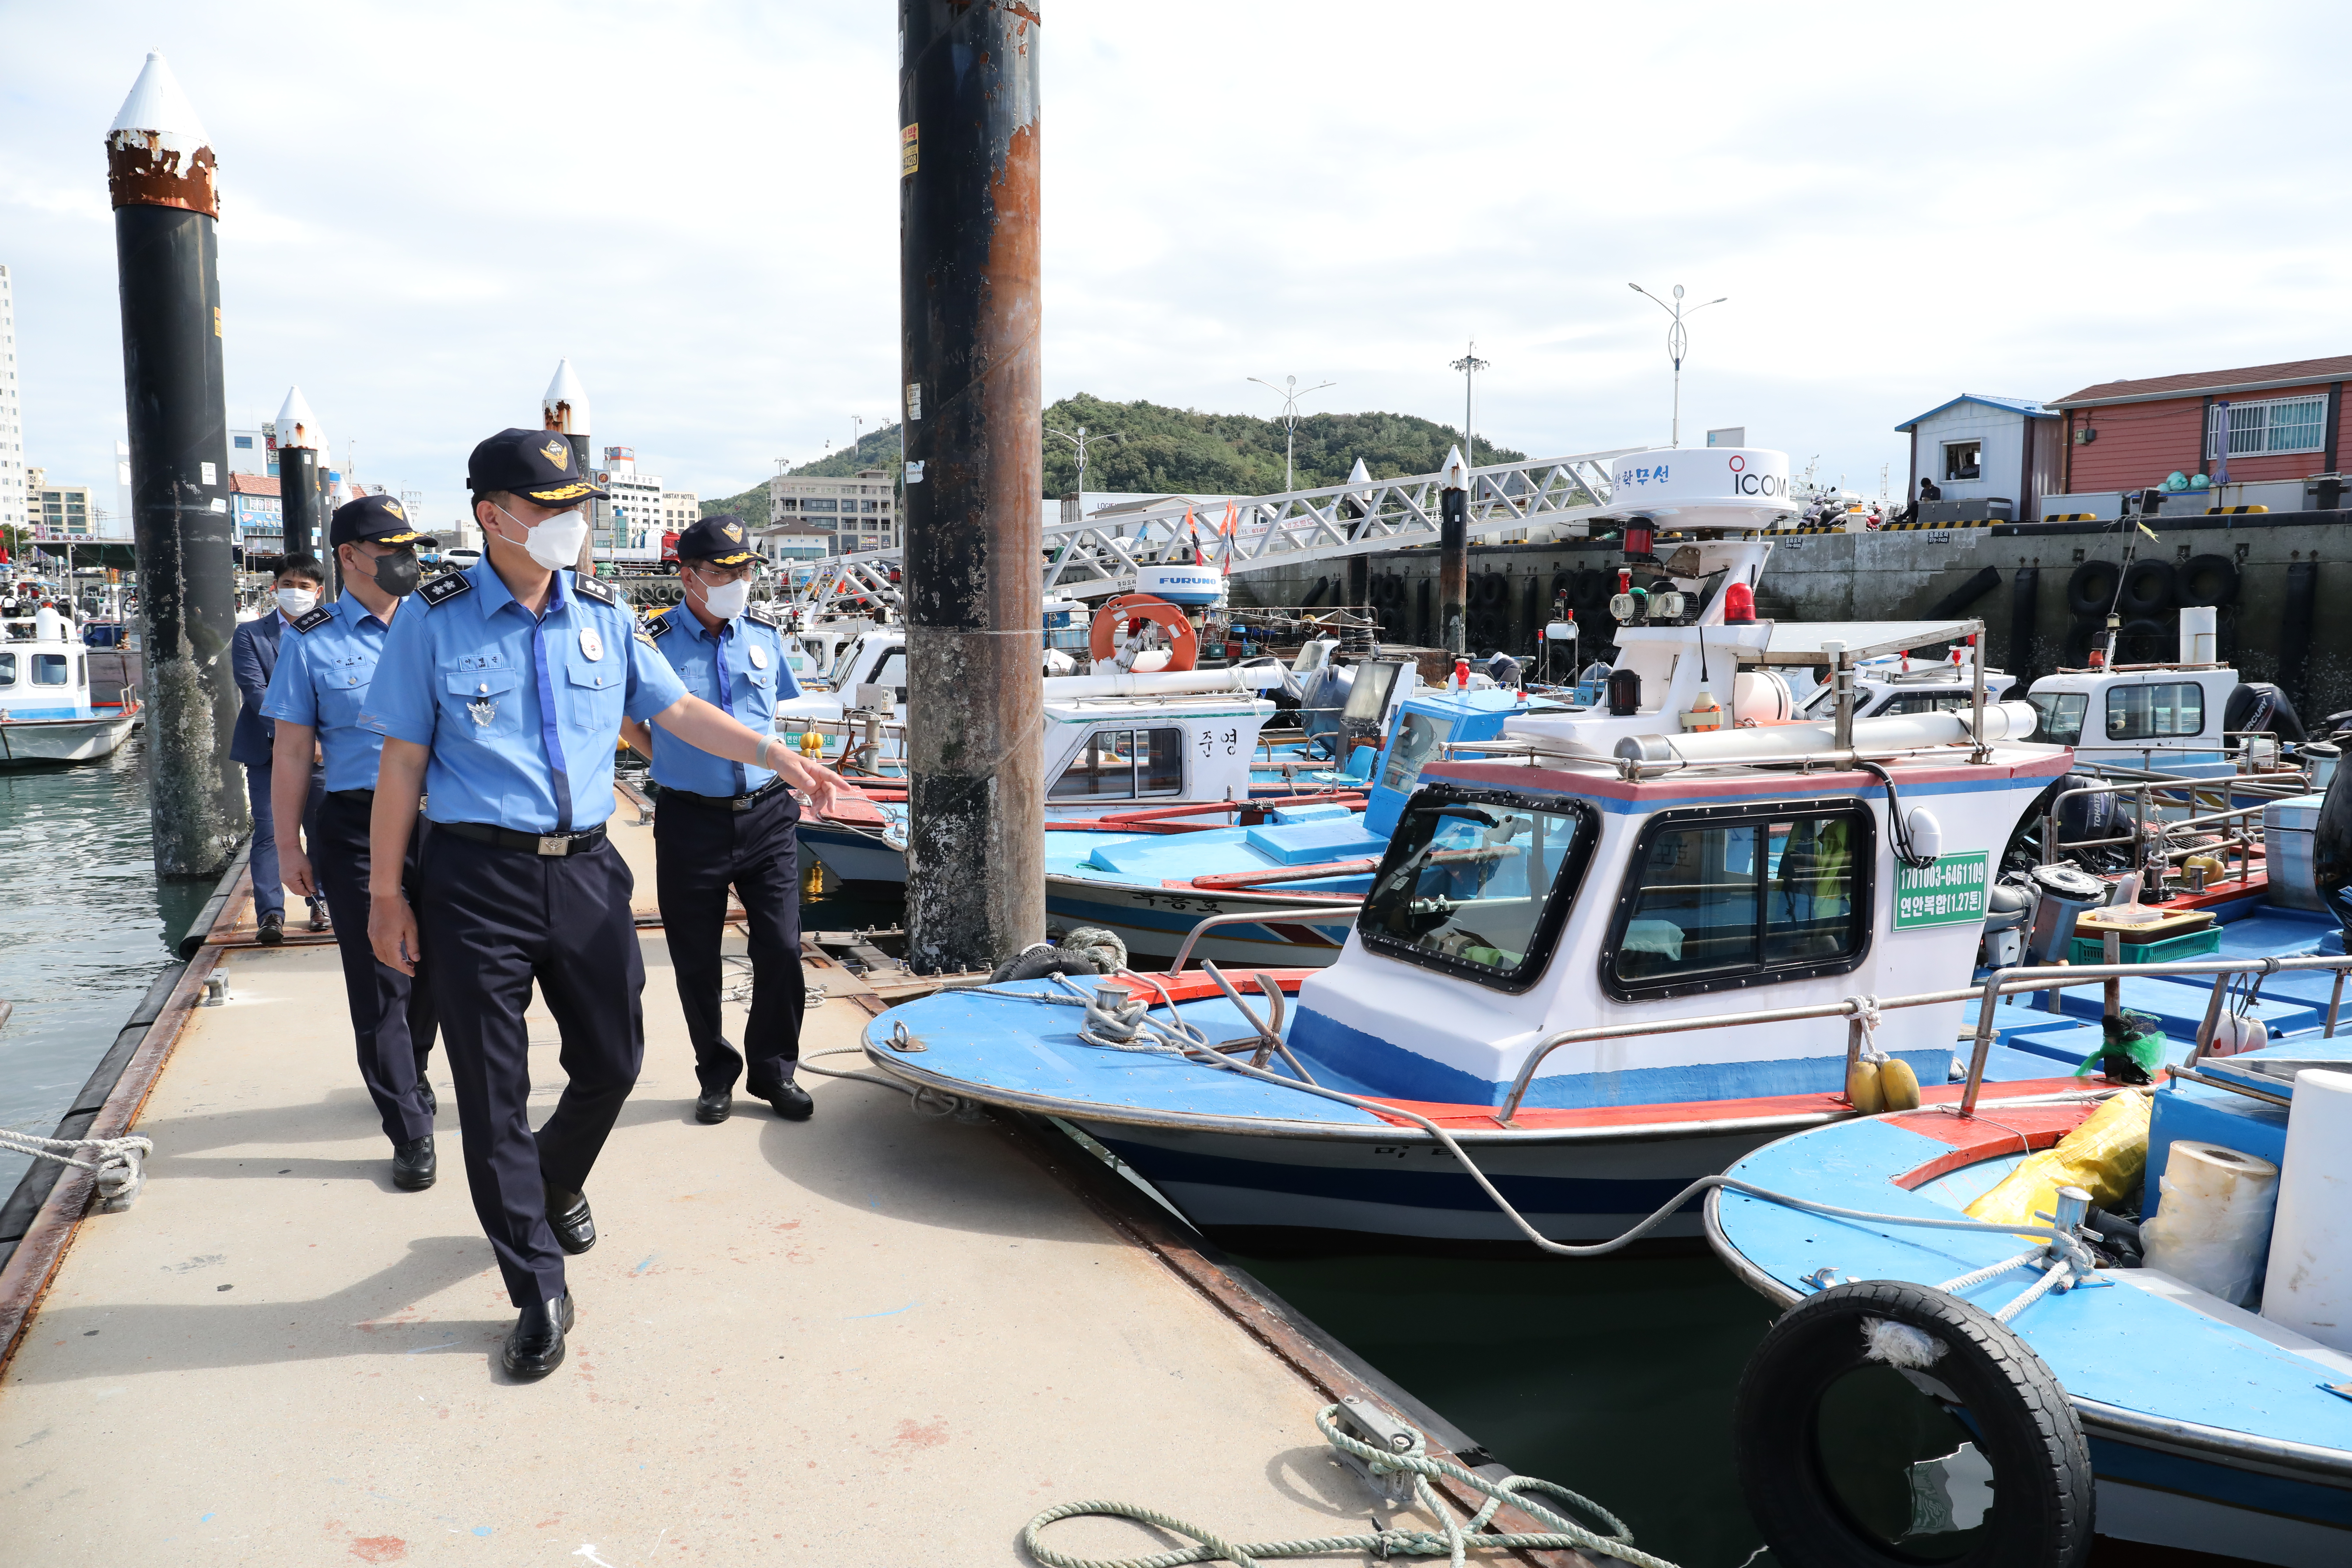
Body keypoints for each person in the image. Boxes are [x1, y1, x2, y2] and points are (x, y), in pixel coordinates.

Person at [360, 429, 847, 1381]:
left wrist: (775, 754)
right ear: (492, 516)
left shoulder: (606, 616)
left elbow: (676, 711)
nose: (571, 524)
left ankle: (552, 1179)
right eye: (549, 508)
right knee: (493, 1092)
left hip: (586, 872)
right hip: (475, 878)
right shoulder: (432, 620)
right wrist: (385, 895)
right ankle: (535, 1285)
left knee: (614, 1062)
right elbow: (403, 762)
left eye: (577, 507)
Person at [261, 497, 442, 1192]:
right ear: (349, 557)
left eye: (411, 548)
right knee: (380, 979)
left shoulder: (441, 623)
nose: (407, 561)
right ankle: (409, 1126)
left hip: (444, 821)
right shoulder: (313, 640)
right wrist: (288, 845)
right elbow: (291, 751)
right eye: (392, 549)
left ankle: (411, 1068)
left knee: (436, 970)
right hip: (358, 826)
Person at [620, 515, 810, 1127]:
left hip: (768, 813)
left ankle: (775, 1070)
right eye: (724, 572)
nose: (738, 581)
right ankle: (715, 1072)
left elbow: (770, 717)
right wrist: (665, 757)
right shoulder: (653, 641)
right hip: (690, 820)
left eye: (745, 569)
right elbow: (629, 715)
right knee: (695, 957)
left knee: (781, 947)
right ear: (688, 576)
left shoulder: (764, 635)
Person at [230, 556, 330, 944]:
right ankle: (270, 913)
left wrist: (321, 743)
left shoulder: (330, 632)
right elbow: (255, 691)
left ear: (318, 592)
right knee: (269, 832)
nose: (296, 591)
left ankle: (321, 902)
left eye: (305, 586)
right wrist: (299, 740)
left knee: (320, 830)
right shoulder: (250, 634)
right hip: (268, 753)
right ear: (275, 587)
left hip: (322, 752)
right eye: (288, 583)